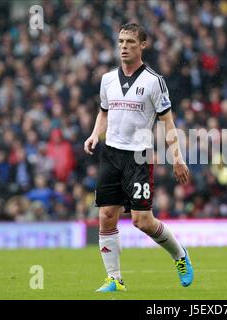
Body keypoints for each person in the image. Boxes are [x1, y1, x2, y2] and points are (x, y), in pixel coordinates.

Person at [84, 23, 194, 292]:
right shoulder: (107, 79)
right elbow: (104, 112)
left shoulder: (153, 81)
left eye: (130, 42)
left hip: (139, 156)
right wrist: (94, 134)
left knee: (141, 220)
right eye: (121, 41)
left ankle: (180, 255)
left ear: (142, 45)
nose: (124, 46)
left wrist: (177, 157)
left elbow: (168, 122)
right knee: (107, 215)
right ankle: (114, 279)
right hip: (111, 153)